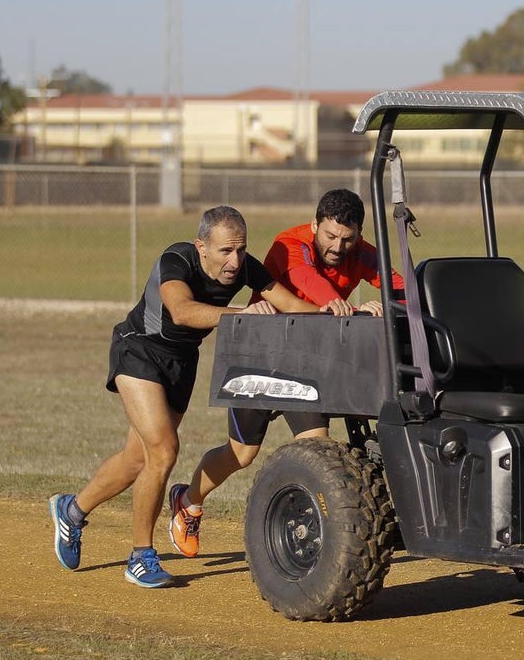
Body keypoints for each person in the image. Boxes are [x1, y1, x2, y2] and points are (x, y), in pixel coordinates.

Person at [48, 205, 326, 588]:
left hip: (181, 363)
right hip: (139, 350)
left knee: (136, 460)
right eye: (226, 251)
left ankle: (72, 510)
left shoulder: (245, 268)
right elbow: (181, 311)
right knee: (163, 451)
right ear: (202, 247)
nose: (236, 260)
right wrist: (244, 314)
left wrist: (343, 315)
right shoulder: (176, 260)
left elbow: (292, 306)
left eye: (241, 249)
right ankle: (141, 557)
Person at [168, 188, 404, 558]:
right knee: (241, 454)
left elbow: (402, 290)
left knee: (317, 446)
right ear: (315, 225)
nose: (338, 247)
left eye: (347, 239)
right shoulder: (288, 246)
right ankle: (188, 499)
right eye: (330, 236)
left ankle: (313, 536)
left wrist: (385, 304)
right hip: (260, 357)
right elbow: (318, 295)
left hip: (307, 364)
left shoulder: (360, 253)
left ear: (358, 235)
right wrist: (357, 311)